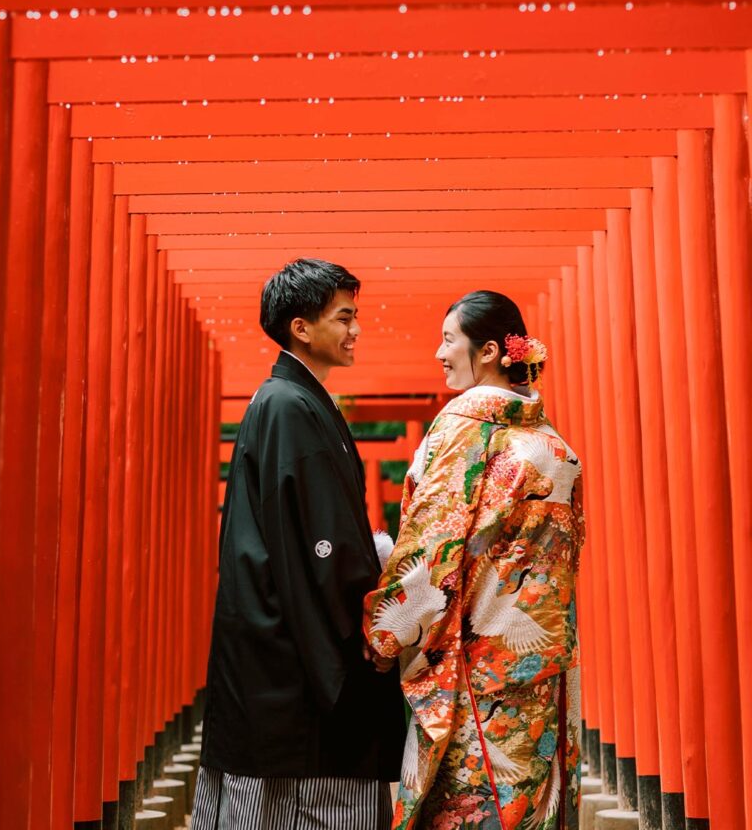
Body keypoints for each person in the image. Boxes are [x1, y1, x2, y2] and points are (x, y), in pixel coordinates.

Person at [193, 258, 406, 830]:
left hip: (273, 635)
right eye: (344, 317)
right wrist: (375, 618)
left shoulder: (289, 401)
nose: (357, 329)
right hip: (291, 649)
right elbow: (325, 540)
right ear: (301, 327)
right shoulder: (290, 406)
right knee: (311, 794)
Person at [363, 291, 585, 830]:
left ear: (488, 351)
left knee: (473, 802)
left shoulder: (464, 427)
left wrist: (387, 635)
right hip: (545, 655)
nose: (439, 354)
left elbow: (431, 547)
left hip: (479, 656)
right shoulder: (551, 442)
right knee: (532, 792)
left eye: (448, 341)